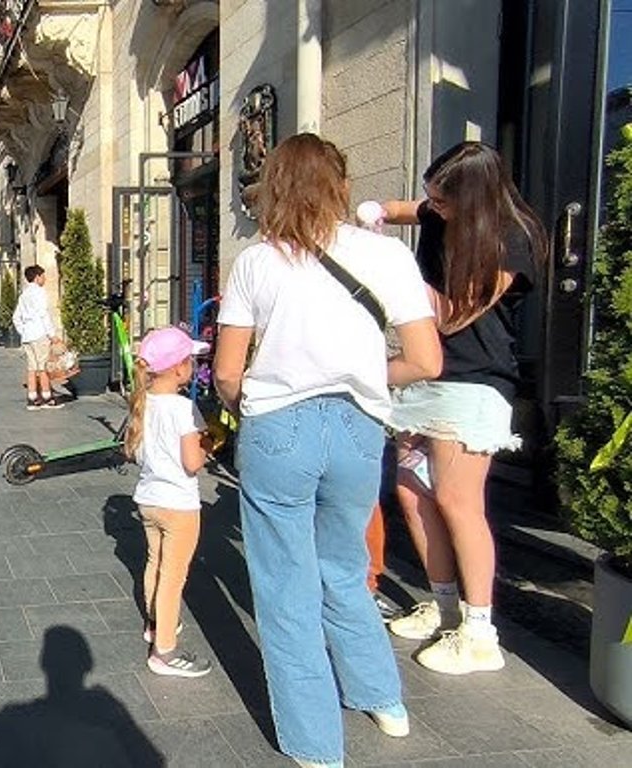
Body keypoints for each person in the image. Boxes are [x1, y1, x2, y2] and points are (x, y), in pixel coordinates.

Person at [213, 134, 442, 767]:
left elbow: (228, 374)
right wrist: (366, 370)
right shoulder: (387, 256)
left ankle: (316, 743)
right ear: (341, 184)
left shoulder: (256, 262)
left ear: (275, 188)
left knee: (285, 584)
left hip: (278, 426)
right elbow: (425, 359)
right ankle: (382, 699)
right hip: (358, 428)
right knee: (344, 567)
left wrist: (246, 405)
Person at [364, 142, 547, 675]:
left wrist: (396, 271)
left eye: (441, 201)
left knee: (455, 498)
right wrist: (373, 213)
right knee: (410, 489)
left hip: (474, 382)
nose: (431, 207)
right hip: (424, 376)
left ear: (472, 201)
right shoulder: (443, 209)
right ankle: (443, 608)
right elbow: (401, 210)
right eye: (430, 197)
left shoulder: (513, 240)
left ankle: (479, 631)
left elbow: (453, 314)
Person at [125, 326, 215, 678]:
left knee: (154, 563)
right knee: (173, 578)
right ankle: (163, 650)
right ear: (179, 368)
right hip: (179, 504)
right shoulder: (183, 408)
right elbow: (192, 462)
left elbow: (134, 452)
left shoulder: (142, 402)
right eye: (190, 359)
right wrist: (207, 449)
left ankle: (154, 622)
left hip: (148, 499)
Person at [13, 265, 63, 410]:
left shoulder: (24, 295)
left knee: (31, 368)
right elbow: (44, 315)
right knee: (43, 368)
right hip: (39, 334)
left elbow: (16, 317)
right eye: (43, 276)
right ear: (37, 277)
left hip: (28, 336)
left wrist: (23, 331)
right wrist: (52, 335)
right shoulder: (39, 293)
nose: (45, 279)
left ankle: (32, 398)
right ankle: (47, 398)